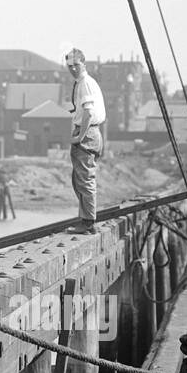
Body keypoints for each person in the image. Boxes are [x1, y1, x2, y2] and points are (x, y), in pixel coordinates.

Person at [64, 48, 105, 235]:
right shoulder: (84, 82)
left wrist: (80, 136)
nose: (73, 69)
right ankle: (86, 219)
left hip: (87, 133)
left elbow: (88, 112)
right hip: (90, 132)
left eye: (76, 65)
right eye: (69, 66)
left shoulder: (85, 83)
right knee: (79, 179)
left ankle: (88, 223)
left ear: (83, 64)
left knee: (85, 179)